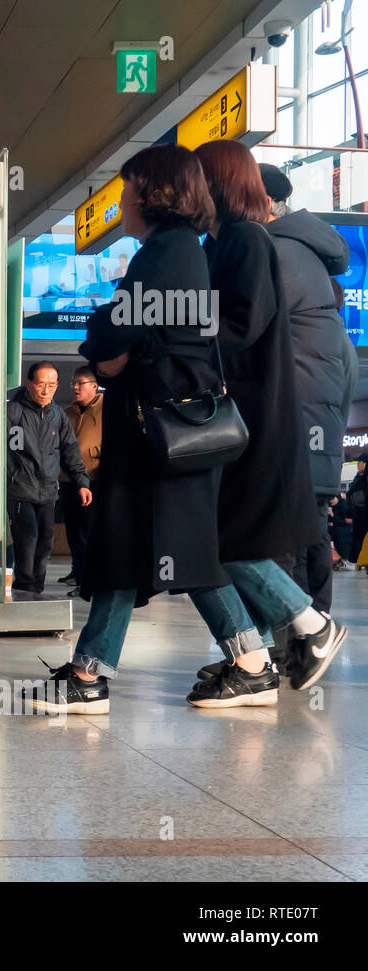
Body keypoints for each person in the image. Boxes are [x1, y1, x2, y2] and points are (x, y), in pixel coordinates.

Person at [27, 144, 279, 713]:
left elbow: (111, 332)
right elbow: (119, 332)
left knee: (164, 550)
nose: (120, 201)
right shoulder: (175, 250)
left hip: (162, 433)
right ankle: (237, 664)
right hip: (160, 432)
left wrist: (115, 349)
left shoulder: (167, 252)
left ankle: (248, 664)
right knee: (145, 548)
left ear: (154, 192)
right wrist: (116, 345)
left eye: (127, 189)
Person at [190, 138, 346, 697]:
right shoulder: (234, 242)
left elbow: (244, 325)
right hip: (264, 411)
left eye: (196, 179)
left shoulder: (254, 244)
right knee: (229, 538)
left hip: (263, 415)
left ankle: (287, 639)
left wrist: (177, 327)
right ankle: (264, 649)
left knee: (237, 538)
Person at [261, 163, 356, 620]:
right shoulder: (333, 331)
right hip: (316, 445)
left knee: (295, 544)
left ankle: (305, 633)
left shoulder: (278, 252)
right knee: (306, 540)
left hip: (302, 441)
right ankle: (307, 631)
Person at [5, 362, 91, 598]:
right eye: (41, 385)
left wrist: (82, 482)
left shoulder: (57, 415)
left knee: (45, 542)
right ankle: (25, 586)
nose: (46, 391)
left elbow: (70, 451)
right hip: (20, 487)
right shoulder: (12, 411)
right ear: (29, 384)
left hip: (48, 490)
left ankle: (36, 588)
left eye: (52, 386)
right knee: (28, 538)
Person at [59, 366, 102, 591]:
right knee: (73, 532)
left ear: (94, 386)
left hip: (94, 481)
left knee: (89, 532)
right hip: (68, 481)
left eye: (81, 382)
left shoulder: (107, 409)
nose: (75, 387)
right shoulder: (68, 412)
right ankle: (78, 571)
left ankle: (88, 580)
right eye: (73, 383)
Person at [348, 455, 368, 566]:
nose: (357, 464)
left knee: (359, 537)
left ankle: (354, 560)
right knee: (357, 537)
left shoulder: (364, 478)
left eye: (359, 462)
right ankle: (353, 560)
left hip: (363, 511)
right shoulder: (359, 476)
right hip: (358, 512)